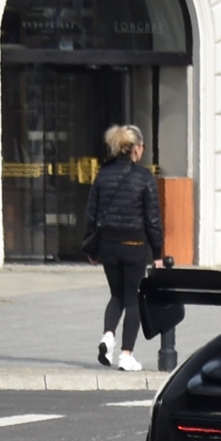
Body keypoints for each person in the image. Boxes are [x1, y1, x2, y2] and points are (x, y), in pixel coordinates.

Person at [81, 123, 165, 371]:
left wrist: (91, 248)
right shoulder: (143, 177)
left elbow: (91, 213)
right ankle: (126, 355)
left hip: (108, 245)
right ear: (136, 149)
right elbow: (153, 220)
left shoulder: (102, 175)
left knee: (116, 294)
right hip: (134, 246)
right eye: (142, 146)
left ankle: (108, 336)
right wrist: (158, 254)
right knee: (133, 299)